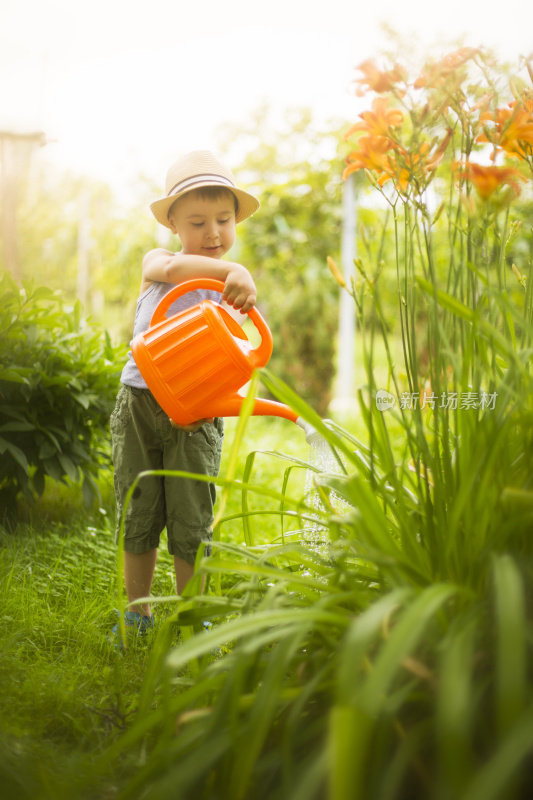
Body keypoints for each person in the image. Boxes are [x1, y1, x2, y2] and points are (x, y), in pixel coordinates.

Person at [110, 150, 259, 640]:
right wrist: (232, 271)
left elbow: (229, 357)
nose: (213, 234)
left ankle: (195, 622)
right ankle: (139, 614)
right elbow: (176, 272)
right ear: (173, 222)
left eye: (223, 220)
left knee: (191, 519)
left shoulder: (229, 295)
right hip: (140, 406)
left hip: (192, 416)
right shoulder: (160, 262)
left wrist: (208, 400)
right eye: (197, 222)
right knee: (140, 509)